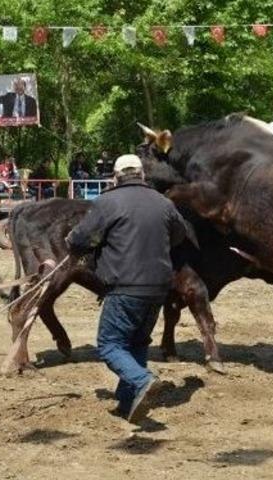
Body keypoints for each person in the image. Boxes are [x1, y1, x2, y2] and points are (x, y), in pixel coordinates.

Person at [65, 154, 186, 423]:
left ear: (116, 177)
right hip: (158, 288)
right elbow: (179, 235)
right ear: (142, 175)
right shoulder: (163, 202)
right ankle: (127, 401)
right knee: (137, 342)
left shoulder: (107, 201)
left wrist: (75, 241)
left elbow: (81, 239)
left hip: (124, 285)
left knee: (109, 345)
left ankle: (142, 380)